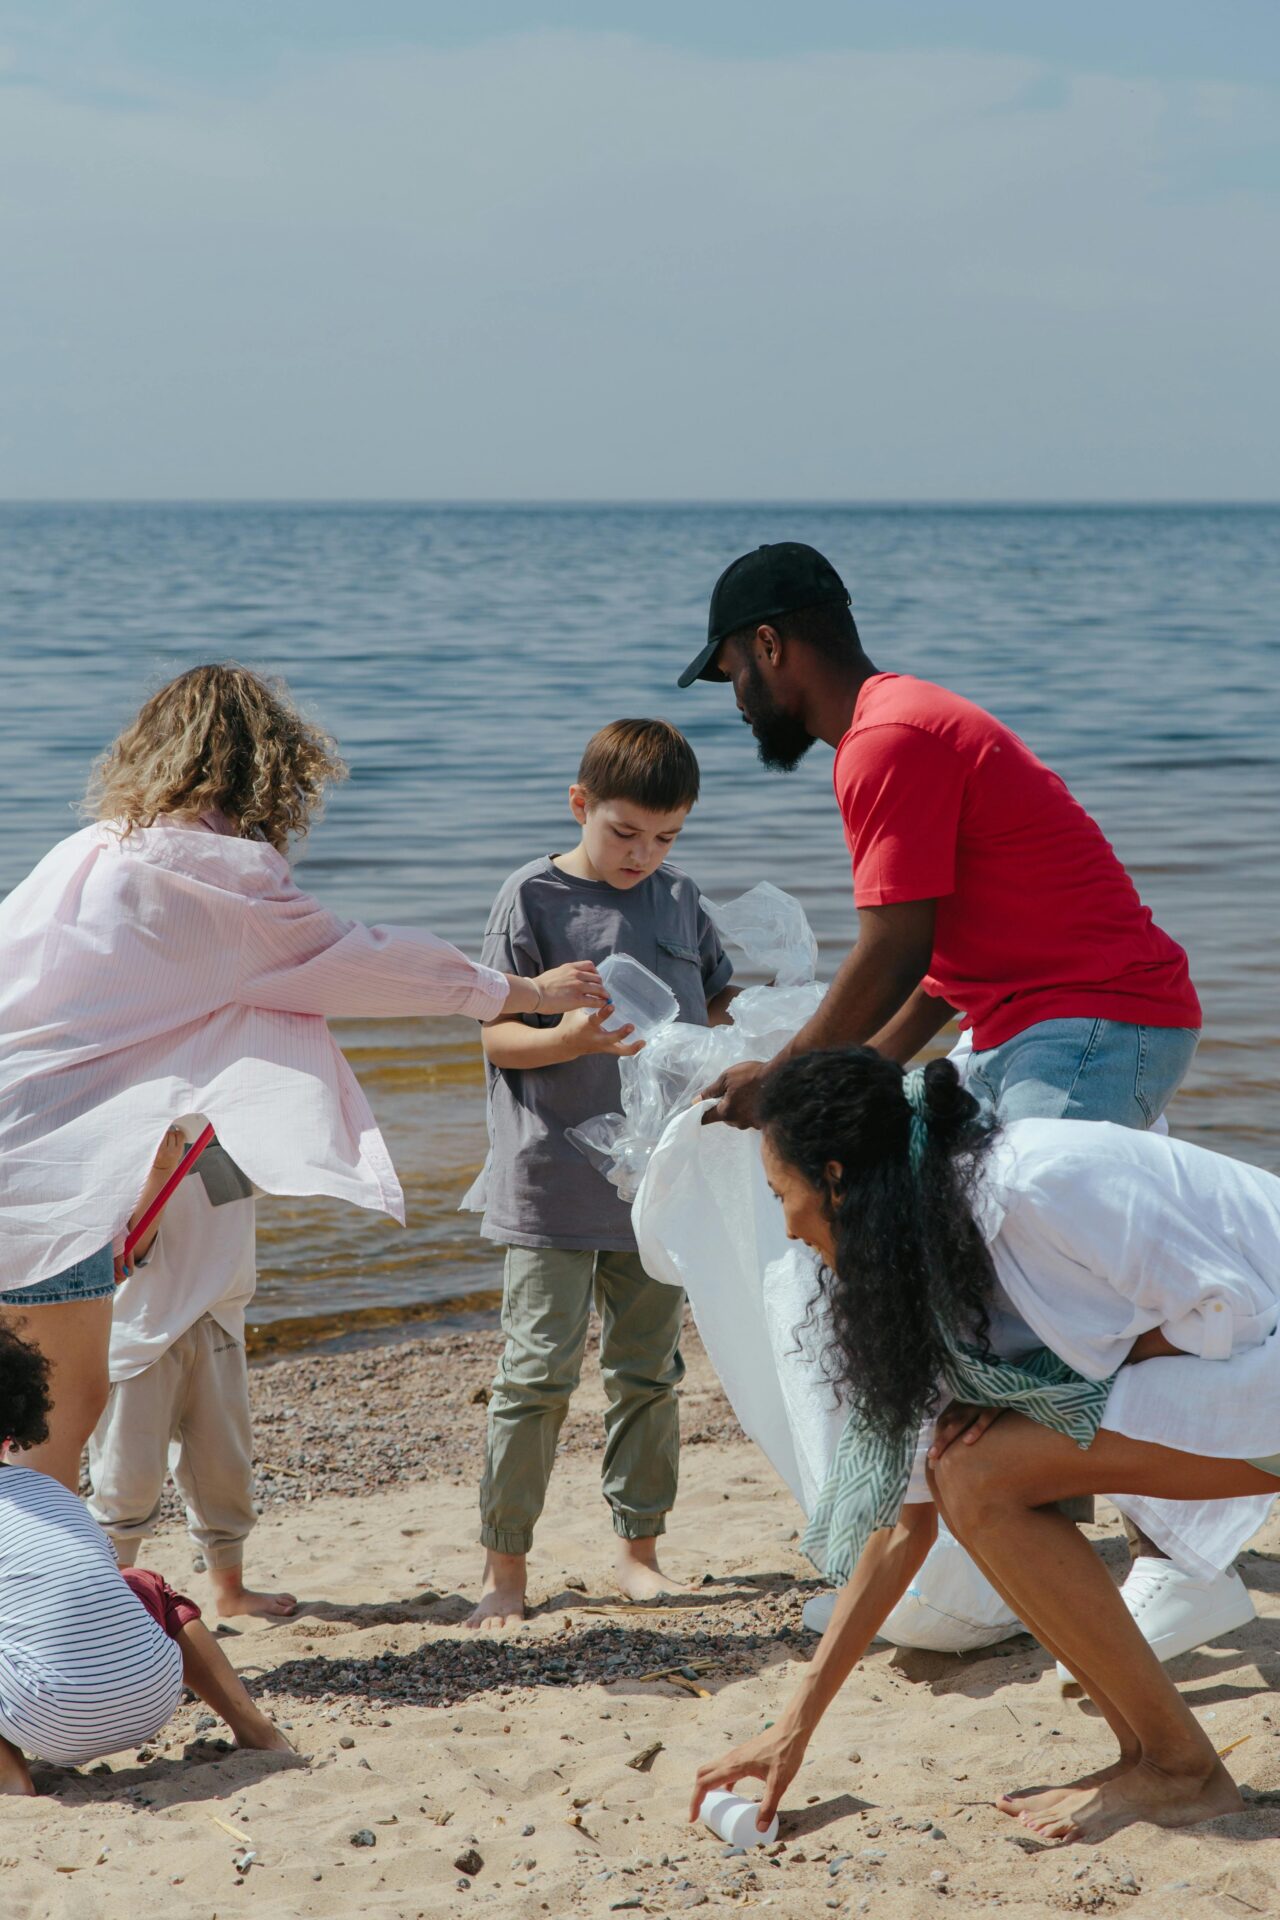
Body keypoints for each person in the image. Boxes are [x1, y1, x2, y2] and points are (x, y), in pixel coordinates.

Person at [677, 541, 1234, 1662]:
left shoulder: (881, 741)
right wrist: (865, 1070)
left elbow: (893, 943)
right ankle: (1027, 1536)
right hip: (1054, 1015)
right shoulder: (901, 723)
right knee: (984, 1271)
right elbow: (942, 964)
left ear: (771, 646)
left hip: (1090, 1020)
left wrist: (788, 1081)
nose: (734, 700)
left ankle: (1182, 1564)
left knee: (1056, 1282)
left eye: (731, 671)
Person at [0, 664, 605, 1492]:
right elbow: (357, 962)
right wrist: (522, 991)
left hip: (22, 1151)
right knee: (54, 1426)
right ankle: (47, 1614)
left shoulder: (85, 851)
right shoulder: (216, 877)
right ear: (270, 768)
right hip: (39, 1189)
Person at [691, 1047, 1280, 1845]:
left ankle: (1178, 1769)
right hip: (1248, 1388)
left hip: (1259, 1354)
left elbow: (1227, 1312)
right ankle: (1154, 1757)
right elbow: (906, 1522)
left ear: (834, 1178)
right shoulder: (920, 1253)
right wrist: (792, 1727)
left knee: (982, 1467)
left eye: (780, 1195)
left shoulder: (1037, 1180)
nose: (788, 1226)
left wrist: (1045, 1379)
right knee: (964, 1471)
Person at [466, 720, 738, 1628]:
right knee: (536, 1375)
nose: (643, 854)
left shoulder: (678, 897)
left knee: (649, 1370)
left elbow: (718, 1004)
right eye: (625, 832)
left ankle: (639, 1553)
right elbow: (496, 1035)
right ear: (580, 805)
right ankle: (505, 1571)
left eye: (665, 837)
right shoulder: (531, 897)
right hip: (547, 1181)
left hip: (656, 1184)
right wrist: (570, 1037)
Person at [0, 1324, 292, 1796]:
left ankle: (11, 1781)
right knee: (142, 1583)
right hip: (156, 1694)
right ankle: (257, 1730)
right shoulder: (49, 1491)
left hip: (50, 1720)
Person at [88, 1121, 295, 1620]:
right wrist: (160, 1170)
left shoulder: (233, 1118)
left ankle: (230, 1589)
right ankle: (111, 1605)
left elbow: (284, 1167)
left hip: (219, 1317)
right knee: (125, 1481)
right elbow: (127, 1251)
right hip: (141, 1330)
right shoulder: (131, 1120)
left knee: (223, 1469)